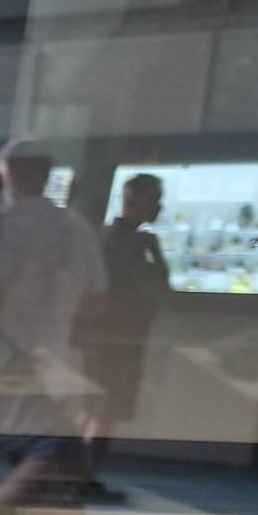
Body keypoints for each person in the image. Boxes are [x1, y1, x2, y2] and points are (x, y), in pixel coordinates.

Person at [82, 173, 169, 458]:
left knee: (102, 408)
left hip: (118, 337)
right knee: (105, 409)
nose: (159, 207)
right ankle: (81, 471)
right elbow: (147, 288)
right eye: (154, 199)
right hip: (114, 338)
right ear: (134, 200)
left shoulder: (126, 240)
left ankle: (81, 470)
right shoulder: (120, 242)